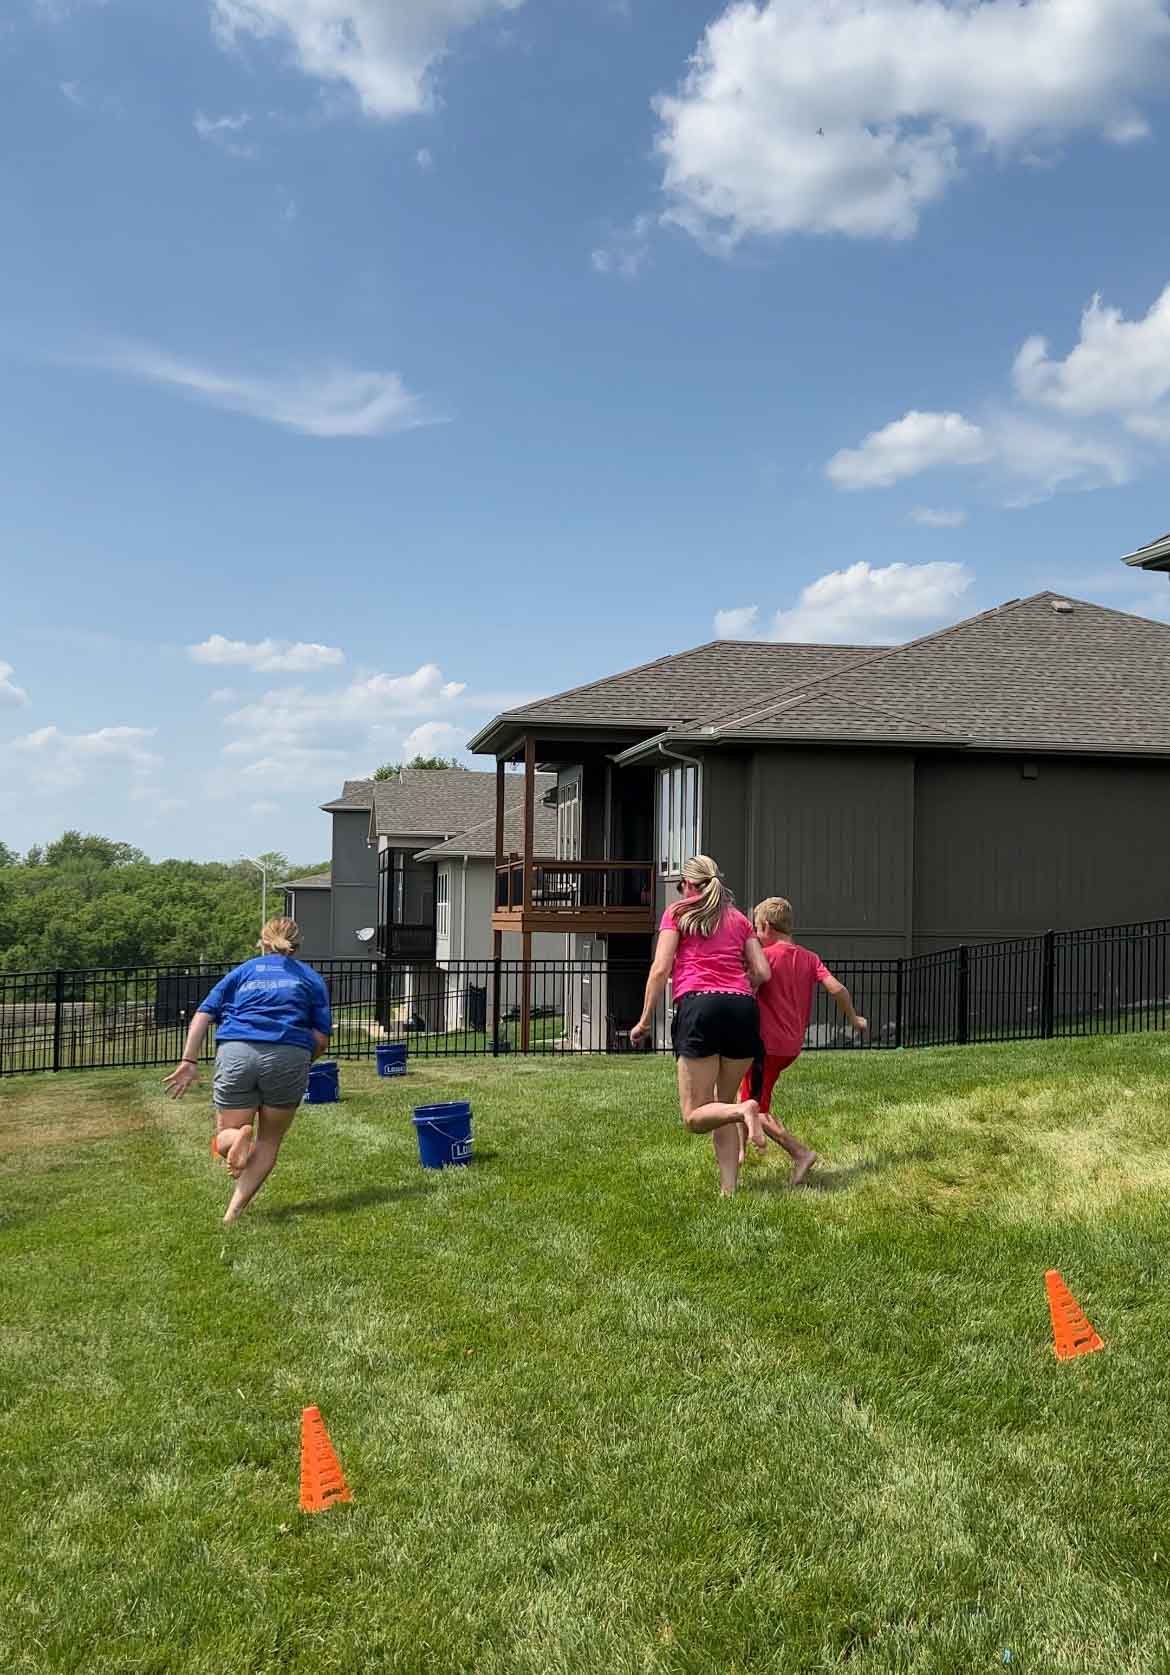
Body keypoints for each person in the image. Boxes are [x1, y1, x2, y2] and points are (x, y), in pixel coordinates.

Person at [164, 916, 332, 1225]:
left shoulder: (242, 972)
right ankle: (233, 1212)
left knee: (223, 1136)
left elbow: (203, 1014)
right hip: (289, 1053)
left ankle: (237, 1139)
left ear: (263, 942)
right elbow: (321, 1037)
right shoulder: (310, 978)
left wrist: (188, 1061)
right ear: (297, 945)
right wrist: (304, 1061)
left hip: (237, 1051)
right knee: (269, 1142)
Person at [630, 855, 770, 1196]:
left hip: (700, 1007)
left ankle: (744, 1108)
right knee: (717, 1106)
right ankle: (728, 1190)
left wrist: (645, 1019)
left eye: (681, 886)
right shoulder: (738, 919)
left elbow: (661, 969)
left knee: (695, 1116)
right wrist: (739, 987)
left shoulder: (678, 914)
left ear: (690, 885)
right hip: (742, 1009)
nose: (680, 892)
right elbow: (764, 972)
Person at [736, 896, 867, 1182]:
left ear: (766, 926)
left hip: (765, 1047)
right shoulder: (809, 957)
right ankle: (740, 1152)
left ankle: (800, 1153)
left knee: (753, 1108)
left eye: (757, 929)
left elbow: (746, 988)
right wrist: (854, 1019)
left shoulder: (765, 959)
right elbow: (838, 989)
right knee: (746, 1095)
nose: (756, 936)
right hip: (791, 1046)